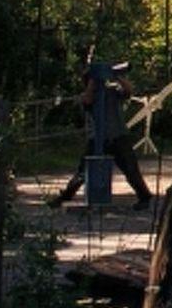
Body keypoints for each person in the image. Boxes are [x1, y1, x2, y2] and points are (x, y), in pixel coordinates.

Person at [53, 64, 153, 210]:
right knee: (84, 170)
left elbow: (128, 91)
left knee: (131, 169)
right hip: (97, 138)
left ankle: (144, 197)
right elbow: (87, 100)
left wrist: (115, 76)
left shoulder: (113, 92)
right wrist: (93, 81)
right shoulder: (87, 95)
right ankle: (65, 197)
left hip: (118, 136)